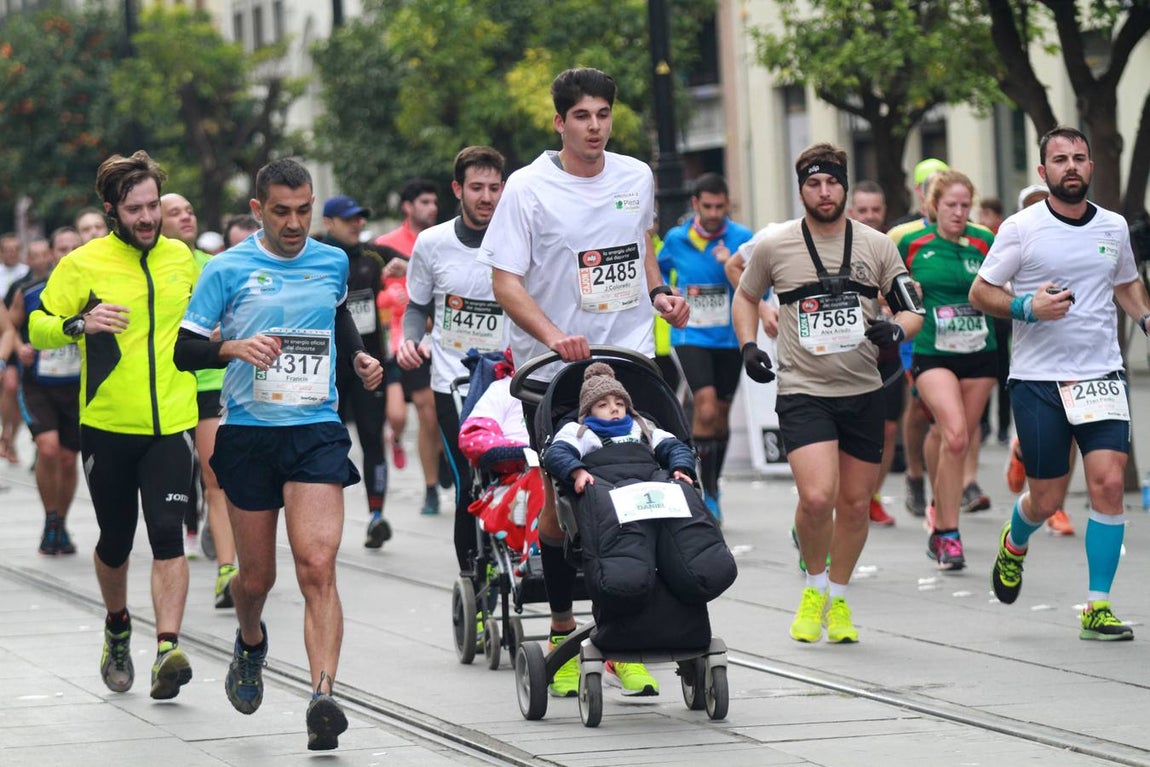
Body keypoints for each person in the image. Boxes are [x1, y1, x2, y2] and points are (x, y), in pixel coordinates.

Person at [479, 67, 689, 696]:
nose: (594, 127)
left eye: (603, 115)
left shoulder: (635, 175)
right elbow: (505, 282)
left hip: (627, 364)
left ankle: (620, 633)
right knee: (566, 499)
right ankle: (565, 629)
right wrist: (550, 336)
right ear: (559, 122)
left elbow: (640, 243)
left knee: (637, 493)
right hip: (555, 368)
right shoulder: (527, 188)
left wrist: (659, 292)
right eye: (582, 116)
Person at [174, 158, 383, 750]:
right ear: (258, 211)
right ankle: (250, 640)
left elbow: (337, 315)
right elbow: (185, 351)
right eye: (282, 212)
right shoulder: (226, 268)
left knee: (317, 565)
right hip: (249, 435)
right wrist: (231, 346)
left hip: (315, 428)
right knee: (257, 578)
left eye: (304, 210)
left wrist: (360, 357)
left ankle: (323, 696)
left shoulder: (332, 260)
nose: (295, 224)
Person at [733, 142, 923, 644]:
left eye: (832, 182)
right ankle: (814, 586)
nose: (824, 191)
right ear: (801, 191)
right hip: (804, 388)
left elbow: (912, 308)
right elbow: (746, 295)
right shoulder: (776, 245)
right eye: (813, 184)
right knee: (818, 498)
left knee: (856, 504)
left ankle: (839, 597)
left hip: (863, 388)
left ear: (843, 184)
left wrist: (898, 332)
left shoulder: (877, 245)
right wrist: (749, 344)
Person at [28, 150, 199, 700]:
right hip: (106, 424)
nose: (148, 218)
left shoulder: (182, 259)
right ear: (111, 210)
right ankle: (118, 625)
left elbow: (216, 316)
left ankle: (167, 648)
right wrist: (80, 322)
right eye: (135, 209)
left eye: (153, 206)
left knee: (169, 536)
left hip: (172, 422)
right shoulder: (84, 263)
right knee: (117, 541)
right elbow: (38, 325)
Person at [970, 126, 1150, 640]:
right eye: (1060, 159)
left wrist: (1146, 319)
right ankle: (1015, 540)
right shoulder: (1021, 228)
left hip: (1101, 374)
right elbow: (981, 291)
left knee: (1109, 484)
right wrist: (1026, 306)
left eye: (1079, 158)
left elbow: (1126, 283)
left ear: (1091, 167)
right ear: (1043, 171)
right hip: (1038, 380)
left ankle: (1097, 606)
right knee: (1046, 499)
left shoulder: (1114, 227)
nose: (1071, 166)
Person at [398, 145, 508, 571]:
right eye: (477, 187)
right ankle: (475, 576)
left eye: (494, 188)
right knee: (471, 483)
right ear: (457, 189)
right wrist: (410, 341)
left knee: (520, 475)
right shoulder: (432, 243)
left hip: (511, 379)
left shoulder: (522, 236)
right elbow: (416, 306)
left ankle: (518, 561)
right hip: (453, 383)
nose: (486, 197)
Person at [898, 170, 996, 570]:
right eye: (950, 205)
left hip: (979, 351)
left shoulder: (985, 241)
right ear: (933, 206)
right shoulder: (910, 242)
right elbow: (886, 287)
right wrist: (905, 295)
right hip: (932, 349)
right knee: (953, 434)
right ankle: (949, 534)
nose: (958, 213)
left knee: (957, 440)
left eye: (964, 206)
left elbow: (1004, 283)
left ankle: (942, 522)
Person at [656, 173, 753, 523]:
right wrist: (668, 292)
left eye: (719, 206)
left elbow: (761, 283)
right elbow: (657, 273)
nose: (713, 213)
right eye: (707, 206)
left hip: (730, 337)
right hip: (691, 336)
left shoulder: (742, 238)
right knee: (707, 408)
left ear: (727, 205)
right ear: (695, 204)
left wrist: (734, 266)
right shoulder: (677, 238)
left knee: (722, 415)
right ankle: (699, 488)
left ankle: (713, 485)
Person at [160, 192, 239, 603]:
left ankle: (227, 571)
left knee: (214, 476)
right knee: (172, 481)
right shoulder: (152, 266)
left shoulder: (216, 266)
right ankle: (173, 554)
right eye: (174, 212)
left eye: (189, 209)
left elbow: (236, 318)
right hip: (164, 386)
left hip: (208, 382)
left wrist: (221, 335)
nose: (185, 217)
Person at [317, 193, 403, 549]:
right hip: (326, 367)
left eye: (360, 218)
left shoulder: (372, 255)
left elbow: (422, 263)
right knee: (326, 444)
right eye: (349, 218)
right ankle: (322, 519)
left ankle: (377, 515)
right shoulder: (315, 254)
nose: (358, 224)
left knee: (372, 439)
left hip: (369, 364)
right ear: (329, 223)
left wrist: (405, 267)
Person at [1000, 181, 1074, 536]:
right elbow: (989, 287)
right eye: (1031, 205)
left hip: (1081, 358)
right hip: (1034, 359)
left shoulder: (1078, 238)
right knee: (1048, 438)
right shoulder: (1016, 238)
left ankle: (1056, 508)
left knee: (1074, 432)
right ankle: (1024, 459)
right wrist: (1026, 305)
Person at [8, 229, 81, 554]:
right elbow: (9, 324)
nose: (66, 253)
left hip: (76, 386)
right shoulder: (31, 290)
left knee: (67, 458)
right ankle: (50, 517)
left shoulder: (95, 291)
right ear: (51, 253)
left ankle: (60, 524)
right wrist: (18, 348)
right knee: (48, 449)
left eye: (73, 248)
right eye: (61, 248)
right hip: (38, 385)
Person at [376, 178, 443, 514]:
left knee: (431, 414)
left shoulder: (441, 240)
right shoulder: (385, 244)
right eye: (424, 202)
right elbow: (370, 292)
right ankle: (430, 485)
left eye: (434, 202)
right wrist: (390, 297)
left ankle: (435, 476)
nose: (432, 208)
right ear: (408, 206)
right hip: (398, 341)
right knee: (400, 414)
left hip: (436, 340)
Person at [545, 361, 696, 494]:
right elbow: (556, 454)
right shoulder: (580, 432)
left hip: (652, 487)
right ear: (589, 411)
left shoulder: (643, 428)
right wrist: (578, 472)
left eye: (620, 404)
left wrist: (680, 468)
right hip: (607, 491)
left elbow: (676, 448)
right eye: (603, 405)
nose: (614, 409)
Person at [849, 181, 899, 526]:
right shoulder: (841, 245)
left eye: (875, 210)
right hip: (847, 357)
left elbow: (909, 296)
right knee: (845, 435)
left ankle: (873, 497)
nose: (869, 216)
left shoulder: (891, 246)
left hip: (887, 354)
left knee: (889, 430)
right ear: (853, 211)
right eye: (863, 210)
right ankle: (836, 503)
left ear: (884, 213)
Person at [1, 233, 30, 463]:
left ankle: (9, 437)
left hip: (18, 337)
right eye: (6, 249)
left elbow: (9, 326)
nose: (11, 253)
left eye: (15, 249)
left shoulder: (26, 276)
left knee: (14, 387)